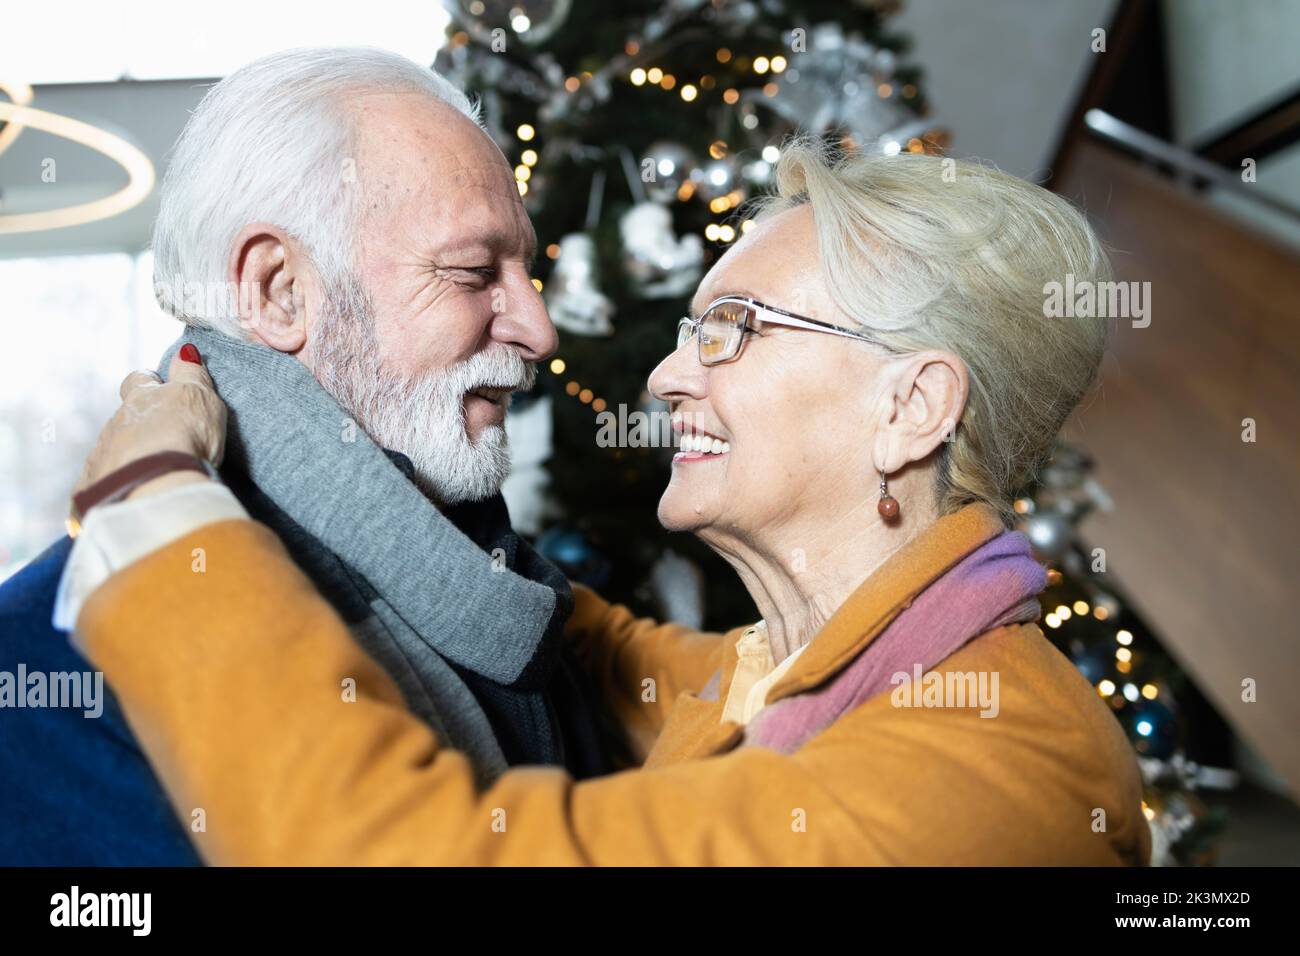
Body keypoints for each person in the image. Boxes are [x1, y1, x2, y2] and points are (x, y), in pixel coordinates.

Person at [61, 142, 1152, 865]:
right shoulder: (799, 661)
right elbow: (601, 643)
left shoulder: (985, 775)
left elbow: (404, 849)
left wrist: (152, 505)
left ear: (911, 408)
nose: (666, 377)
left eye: (730, 328)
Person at [0, 48, 613, 865]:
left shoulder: (507, 597)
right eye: (473, 272)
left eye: (526, 270)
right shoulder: (44, 684)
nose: (540, 331)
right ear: (279, 290)